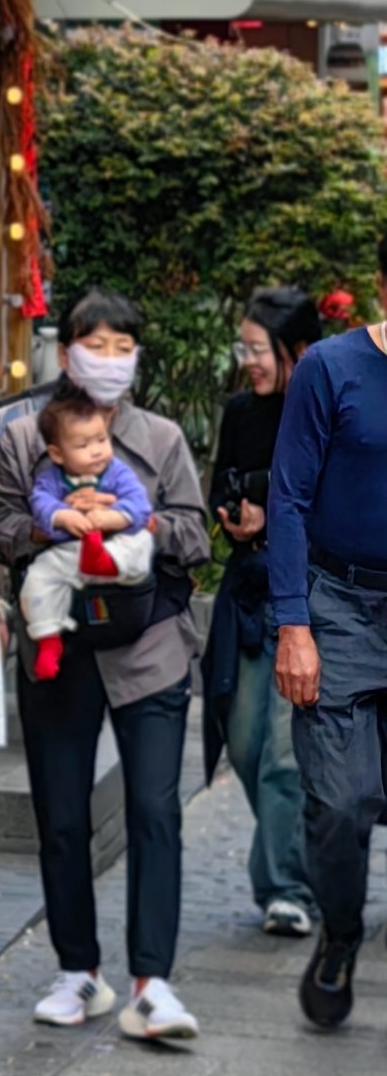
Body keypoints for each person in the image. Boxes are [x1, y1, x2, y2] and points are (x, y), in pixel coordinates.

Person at [0, 289, 208, 1043]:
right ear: (66, 350)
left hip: (149, 648)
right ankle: (77, 970)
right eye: (96, 344)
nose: (108, 359)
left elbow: (194, 531)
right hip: (59, 648)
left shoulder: (162, 439)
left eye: (123, 346)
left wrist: (133, 524)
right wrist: (55, 525)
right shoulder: (24, 438)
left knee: (155, 809)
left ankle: (153, 982)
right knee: (60, 814)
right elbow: (0, 525)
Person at [266, 236, 387, 1028]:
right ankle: (341, 932)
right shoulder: (330, 369)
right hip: (341, 601)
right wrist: (293, 624)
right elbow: (287, 498)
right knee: (342, 802)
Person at [203, 286, 319, 938]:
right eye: (242, 347)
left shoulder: (323, 406)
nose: (249, 360)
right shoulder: (240, 410)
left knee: (283, 756)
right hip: (248, 592)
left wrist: (271, 507)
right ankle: (290, 863)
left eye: (258, 348)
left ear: (295, 349)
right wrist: (235, 516)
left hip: (305, 598)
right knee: (243, 744)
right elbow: (224, 479)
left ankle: (285, 885)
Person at [20, 384, 154, 683]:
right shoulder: (51, 478)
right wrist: (63, 515)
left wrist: (111, 517)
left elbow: (139, 505)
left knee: (141, 544)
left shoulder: (117, 472)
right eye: (82, 445)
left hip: (115, 548)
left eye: (101, 440)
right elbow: (40, 504)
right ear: (56, 453)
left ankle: (104, 560)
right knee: (39, 576)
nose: (96, 451)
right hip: (74, 553)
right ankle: (48, 638)